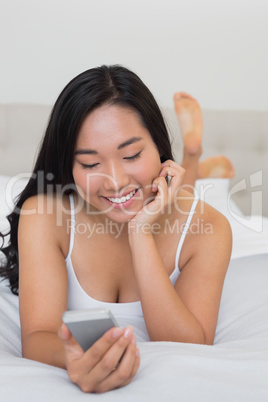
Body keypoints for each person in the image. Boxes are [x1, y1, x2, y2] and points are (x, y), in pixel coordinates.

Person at [0, 65, 233, 393]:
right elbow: (39, 336)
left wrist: (140, 233)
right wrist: (73, 361)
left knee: (185, 197)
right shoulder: (45, 214)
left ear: (158, 146)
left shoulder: (210, 228)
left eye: (132, 154)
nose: (116, 181)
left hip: (175, 211)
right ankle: (194, 162)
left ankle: (193, 160)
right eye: (91, 164)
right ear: (68, 164)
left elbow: (189, 345)